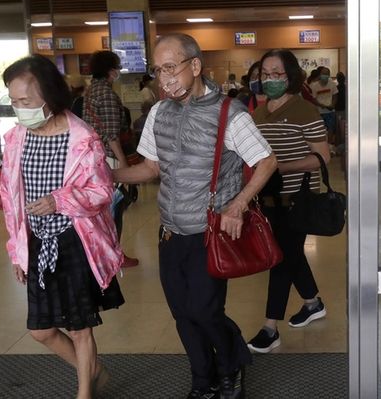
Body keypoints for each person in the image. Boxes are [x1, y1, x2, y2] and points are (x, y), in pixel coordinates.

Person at [114, 33, 277, 399]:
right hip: (171, 233)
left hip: (209, 233)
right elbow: (151, 167)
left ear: (195, 66)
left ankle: (232, 366)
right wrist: (107, 175)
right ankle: (203, 379)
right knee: (183, 314)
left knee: (205, 311)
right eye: (158, 70)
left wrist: (238, 204)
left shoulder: (229, 114)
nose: (164, 78)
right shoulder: (159, 112)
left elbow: (266, 161)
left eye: (170, 67)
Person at [0, 55, 125, 399]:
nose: (18, 108)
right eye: (13, 101)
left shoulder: (82, 138)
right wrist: (17, 250)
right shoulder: (16, 139)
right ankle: (95, 370)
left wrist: (59, 201)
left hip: (75, 240)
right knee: (40, 329)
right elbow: (11, 200)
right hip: (37, 242)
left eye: (25, 100)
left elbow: (101, 192)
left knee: (79, 326)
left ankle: (84, 391)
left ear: (49, 95)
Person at [247, 49, 331, 354]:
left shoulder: (304, 110)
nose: (270, 80)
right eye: (265, 74)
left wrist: (280, 166)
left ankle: (270, 328)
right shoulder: (258, 113)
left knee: (281, 259)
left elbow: (322, 157)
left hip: (298, 199)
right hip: (268, 200)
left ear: (291, 75)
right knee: (290, 253)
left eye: (277, 74)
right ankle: (312, 303)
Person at [82, 51, 139, 268]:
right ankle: (114, 254)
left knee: (104, 209)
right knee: (115, 207)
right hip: (110, 157)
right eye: (116, 67)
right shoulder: (105, 93)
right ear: (110, 71)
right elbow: (111, 133)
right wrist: (124, 165)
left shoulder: (90, 92)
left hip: (94, 156)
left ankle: (105, 252)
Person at [309, 66, 339, 145]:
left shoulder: (332, 84)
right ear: (320, 74)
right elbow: (313, 99)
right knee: (319, 130)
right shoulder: (314, 85)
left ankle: (329, 145)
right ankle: (321, 145)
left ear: (329, 75)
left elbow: (335, 96)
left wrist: (333, 104)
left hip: (330, 111)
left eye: (327, 74)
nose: (325, 75)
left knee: (331, 129)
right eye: (323, 73)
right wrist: (321, 105)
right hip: (319, 112)